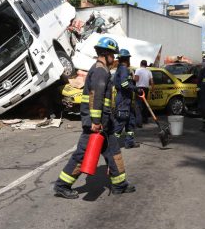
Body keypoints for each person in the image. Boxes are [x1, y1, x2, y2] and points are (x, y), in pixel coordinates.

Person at [53, 37, 136, 199]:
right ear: (106, 54)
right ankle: (62, 185)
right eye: (113, 55)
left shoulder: (102, 70)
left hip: (105, 124)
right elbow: (96, 98)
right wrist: (96, 122)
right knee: (82, 155)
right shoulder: (100, 71)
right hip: (95, 124)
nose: (114, 59)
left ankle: (119, 184)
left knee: (113, 152)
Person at [113, 49, 142, 149]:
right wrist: (135, 89)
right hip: (123, 100)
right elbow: (124, 84)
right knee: (120, 123)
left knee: (130, 121)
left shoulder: (120, 69)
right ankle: (112, 145)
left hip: (126, 100)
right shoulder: (123, 69)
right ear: (126, 59)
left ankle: (129, 143)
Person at [134, 60, 154, 126]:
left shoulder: (138, 70)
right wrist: (153, 90)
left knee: (138, 106)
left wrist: (132, 77)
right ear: (146, 65)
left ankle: (139, 123)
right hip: (146, 89)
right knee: (145, 104)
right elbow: (152, 82)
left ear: (140, 64)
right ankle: (145, 120)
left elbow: (136, 79)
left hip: (139, 89)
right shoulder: (149, 71)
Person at [197, 54, 205, 132]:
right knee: (204, 109)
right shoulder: (203, 71)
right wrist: (198, 93)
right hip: (204, 93)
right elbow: (199, 82)